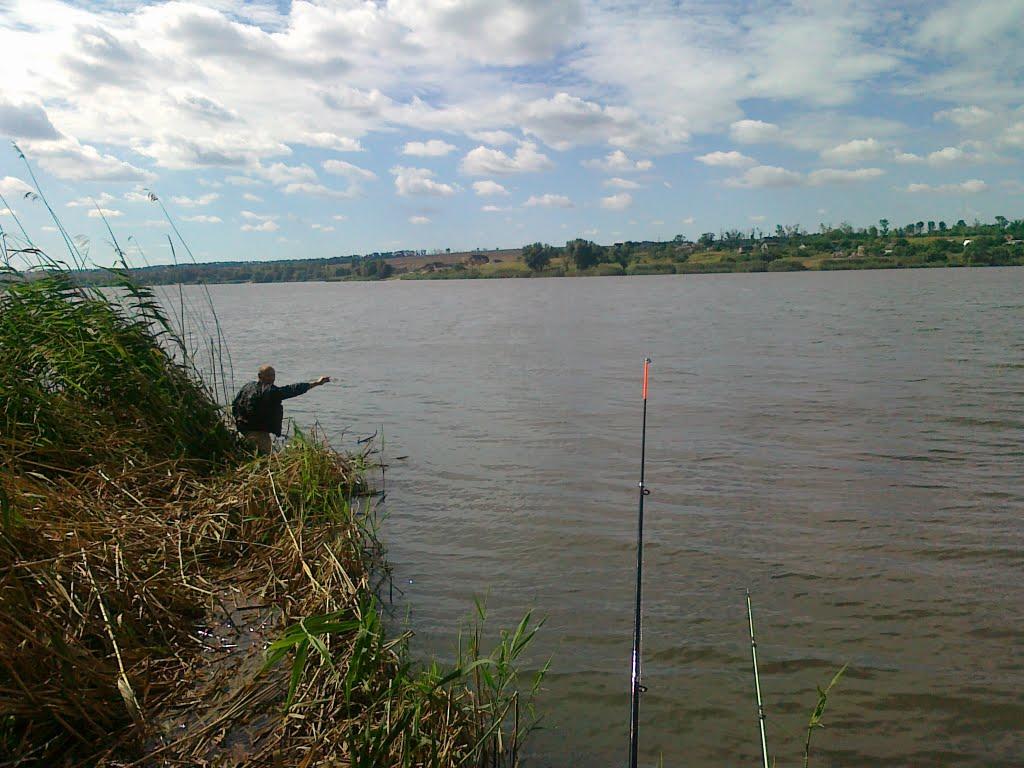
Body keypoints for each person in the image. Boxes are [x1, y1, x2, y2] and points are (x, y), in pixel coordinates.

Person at [231, 365, 331, 454]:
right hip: (258, 433)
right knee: (264, 458)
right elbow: (291, 390)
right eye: (269, 375)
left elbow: (235, 404)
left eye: (273, 375)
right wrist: (317, 383)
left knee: (250, 454)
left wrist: (238, 422)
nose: (272, 378)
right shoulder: (270, 392)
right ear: (260, 376)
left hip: (243, 428)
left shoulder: (248, 386)